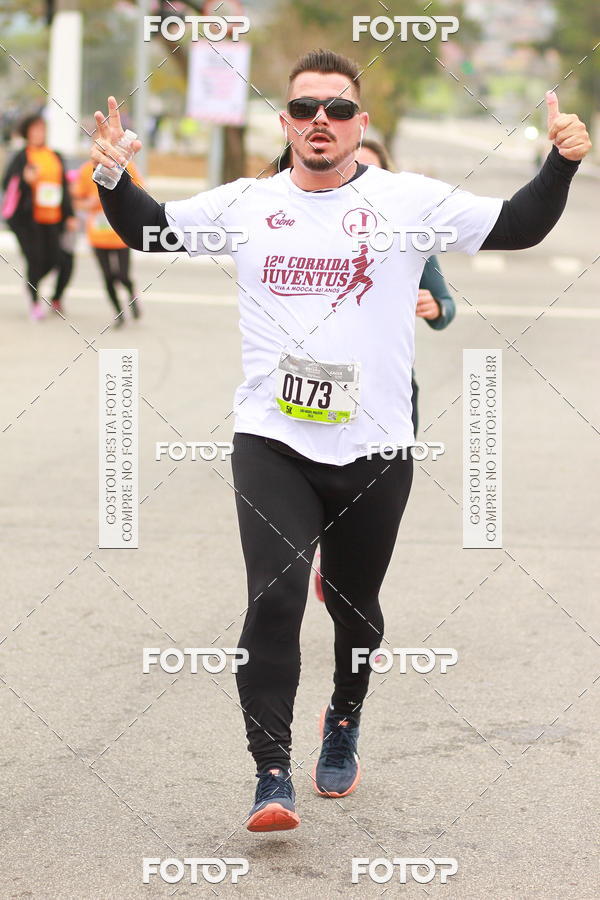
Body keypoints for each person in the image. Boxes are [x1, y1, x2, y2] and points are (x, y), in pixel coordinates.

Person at [89, 49, 590, 833]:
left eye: (339, 109)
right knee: (278, 594)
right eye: (305, 108)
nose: (321, 119)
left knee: (356, 612)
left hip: (378, 446)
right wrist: (114, 178)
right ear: (285, 122)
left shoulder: (406, 200)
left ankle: (345, 716)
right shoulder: (248, 204)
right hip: (272, 438)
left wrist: (559, 164)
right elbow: (149, 231)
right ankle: (271, 774)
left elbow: (520, 227)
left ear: (361, 126)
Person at [311, 137, 456, 601]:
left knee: (366, 510)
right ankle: (321, 553)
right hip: (320, 385)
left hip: (389, 398)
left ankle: (345, 568)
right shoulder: (307, 228)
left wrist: (435, 306)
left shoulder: (407, 236)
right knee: (312, 479)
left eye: (368, 171)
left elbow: (447, 306)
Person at [1, 114, 77, 318]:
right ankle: (34, 303)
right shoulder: (22, 156)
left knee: (55, 259)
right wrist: (26, 180)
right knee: (35, 260)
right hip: (28, 219)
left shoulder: (55, 155)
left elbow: (64, 187)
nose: (38, 134)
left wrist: (69, 215)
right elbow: (8, 184)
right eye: (34, 130)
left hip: (52, 217)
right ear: (27, 132)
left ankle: (32, 287)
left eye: (41, 129)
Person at [72, 159, 142, 325]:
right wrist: (88, 204)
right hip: (98, 234)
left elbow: (141, 192)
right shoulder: (85, 170)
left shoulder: (127, 166)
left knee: (123, 275)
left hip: (121, 234)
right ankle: (118, 311)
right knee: (108, 276)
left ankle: (132, 297)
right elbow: (76, 201)